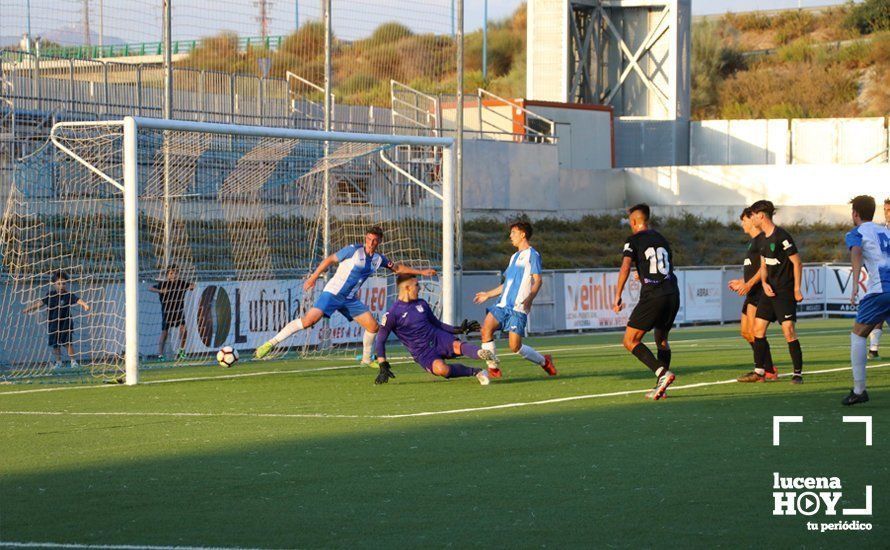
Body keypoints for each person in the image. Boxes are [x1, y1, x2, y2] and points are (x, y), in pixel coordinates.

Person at [255, 226, 435, 362]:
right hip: (333, 294)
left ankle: (366, 359)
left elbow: (397, 268)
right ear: (365, 238)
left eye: (374, 240)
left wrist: (421, 272)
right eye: (369, 239)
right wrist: (314, 277)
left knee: (373, 327)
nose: (371, 243)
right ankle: (270, 343)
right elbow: (330, 259)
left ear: (379, 241)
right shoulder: (353, 251)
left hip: (350, 300)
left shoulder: (379, 259)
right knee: (308, 321)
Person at [374, 274, 495, 385]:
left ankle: (481, 353)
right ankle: (477, 372)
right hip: (422, 352)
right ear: (407, 288)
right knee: (442, 370)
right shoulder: (392, 314)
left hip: (437, 337)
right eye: (416, 285)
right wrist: (382, 364)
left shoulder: (422, 304)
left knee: (457, 346)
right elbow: (380, 340)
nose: (420, 288)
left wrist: (459, 330)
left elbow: (437, 324)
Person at [612, 204, 680, 400]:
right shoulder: (662, 239)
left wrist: (618, 295)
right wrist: (642, 275)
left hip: (654, 296)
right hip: (672, 293)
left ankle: (662, 373)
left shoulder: (633, 240)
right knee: (662, 340)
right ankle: (662, 388)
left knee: (630, 340)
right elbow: (661, 267)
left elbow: (625, 266)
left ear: (634, 222)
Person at [474, 219, 556, 378]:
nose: (510, 236)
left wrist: (530, 298)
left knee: (514, 346)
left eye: (513, 233)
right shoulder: (513, 257)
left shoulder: (533, 255)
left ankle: (544, 361)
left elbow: (538, 280)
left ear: (523, 234)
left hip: (518, 308)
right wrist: (488, 294)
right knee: (486, 329)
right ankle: (493, 368)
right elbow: (507, 284)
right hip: (502, 305)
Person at [749, 200, 805, 384]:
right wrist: (764, 282)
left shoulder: (782, 236)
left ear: (761, 215)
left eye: (753, 215)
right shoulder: (762, 239)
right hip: (769, 291)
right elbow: (764, 264)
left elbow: (797, 262)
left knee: (788, 330)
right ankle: (759, 372)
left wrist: (796, 289)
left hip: (785, 292)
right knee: (758, 329)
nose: (752, 218)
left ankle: (797, 373)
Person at [842, 195, 890, 405]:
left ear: (855, 214)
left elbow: (857, 252)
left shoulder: (857, 232)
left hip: (880, 290)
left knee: (858, 335)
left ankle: (860, 390)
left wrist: (854, 286)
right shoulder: (885, 230)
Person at [730, 208, 778, 382]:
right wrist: (741, 281)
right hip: (751, 291)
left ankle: (767, 369)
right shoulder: (752, 242)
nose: (743, 224)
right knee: (746, 332)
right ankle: (767, 367)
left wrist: (749, 284)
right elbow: (753, 269)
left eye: (744, 220)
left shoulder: (762, 240)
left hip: (758, 292)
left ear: (752, 219)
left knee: (756, 332)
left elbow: (763, 268)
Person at [23, 271, 90, 369]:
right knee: (55, 345)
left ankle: (73, 361)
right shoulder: (50, 295)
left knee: (68, 343)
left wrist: (85, 304)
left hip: (65, 324)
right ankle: (59, 362)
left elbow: (77, 300)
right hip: (53, 325)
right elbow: (40, 303)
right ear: (54, 284)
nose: (61, 286)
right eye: (59, 283)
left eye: (63, 283)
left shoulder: (68, 295)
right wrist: (29, 309)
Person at [148, 265, 195, 360]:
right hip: (167, 312)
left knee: (184, 329)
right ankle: (160, 355)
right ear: (167, 275)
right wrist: (161, 291)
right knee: (164, 333)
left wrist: (191, 286)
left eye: (176, 272)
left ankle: (182, 350)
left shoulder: (181, 283)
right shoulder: (163, 284)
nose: (174, 274)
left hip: (178, 311)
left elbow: (192, 286)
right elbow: (150, 288)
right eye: (171, 273)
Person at [866, 197, 890, 359]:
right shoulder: (882, 230)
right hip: (883, 279)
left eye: (889, 210)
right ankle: (873, 349)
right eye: (885, 210)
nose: (887, 213)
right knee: (877, 315)